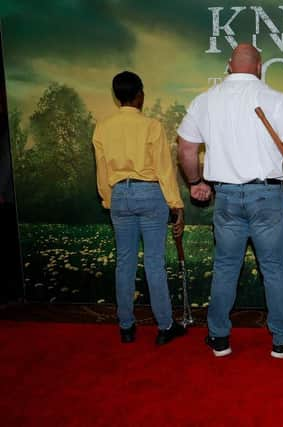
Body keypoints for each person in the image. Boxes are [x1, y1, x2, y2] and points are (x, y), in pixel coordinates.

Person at [177, 44, 283, 359]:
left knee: (226, 267)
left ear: (230, 66)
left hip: (226, 196)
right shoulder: (274, 98)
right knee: (273, 269)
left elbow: (186, 149)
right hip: (266, 196)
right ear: (259, 66)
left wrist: (195, 181)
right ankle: (282, 340)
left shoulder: (205, 101)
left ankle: (218, 338)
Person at [92, 71, 186, 345]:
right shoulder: (152, 126)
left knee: (124, 262)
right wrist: (175, 204)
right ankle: (166, 327)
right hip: (150, 194)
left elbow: (101, 171)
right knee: (154, 263)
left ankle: (126, 326)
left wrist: (109, 200)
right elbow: (164, 169)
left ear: (116, 95)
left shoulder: (102, 127)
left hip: (119, 194)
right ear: (140, 95)